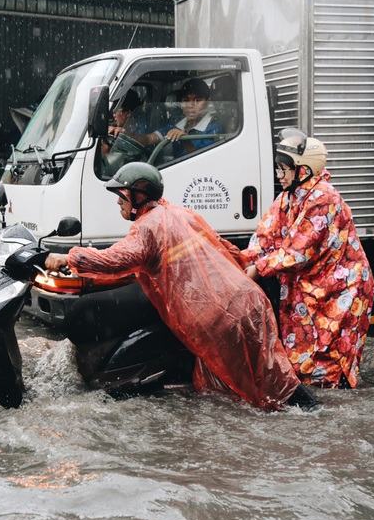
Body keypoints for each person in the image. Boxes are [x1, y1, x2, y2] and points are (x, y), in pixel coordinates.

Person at [45, 162, 317, 411]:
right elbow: (223, 246)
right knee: (244, 384)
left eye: (121, 195)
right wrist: (245, 265)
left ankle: (313, 415)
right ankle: (304, 412)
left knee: (271, 386)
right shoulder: (180, 213)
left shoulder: (148, 227)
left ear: (137, 196)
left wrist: (68, 256)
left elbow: (115, 260)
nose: (118, 203)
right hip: (246, 300)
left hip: (222, 317)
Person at [242, 129, 374, 389]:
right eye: (278, 170)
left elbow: (298, 253)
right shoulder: (287, 197)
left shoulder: (324, 198)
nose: (279, 176)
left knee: (327, 357)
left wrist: (257, 269)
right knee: (300, 356)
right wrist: (239, 260)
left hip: (340, 289)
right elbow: (265, 238)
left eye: (283, 170)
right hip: (307, 288)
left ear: (302, 169)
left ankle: (332, 410)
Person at [133, 78, 222, 158]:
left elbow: (203, 162)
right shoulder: (178, 124)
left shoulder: (214, 128)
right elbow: (149, 139)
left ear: (207, 102)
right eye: (186, 100)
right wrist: (127, 135)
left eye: (197, 100)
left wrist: (185, 139)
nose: (190, 105)